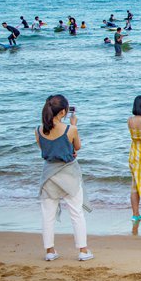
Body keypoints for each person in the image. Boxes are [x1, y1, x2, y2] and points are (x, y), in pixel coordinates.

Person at [36, 94, 93, 261]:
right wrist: (74, 125)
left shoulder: (38, 130)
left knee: (48, 215)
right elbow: (77, 147)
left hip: (49, 175)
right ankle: (83, 251)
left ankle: (50, 251)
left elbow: (46, 152)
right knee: (76, 213)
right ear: (62, 112)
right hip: (69, 175)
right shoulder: (70, 129)